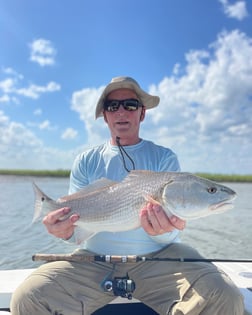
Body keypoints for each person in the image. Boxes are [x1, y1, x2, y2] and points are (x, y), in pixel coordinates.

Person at [11, 76, 244, 315]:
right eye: (113, 106)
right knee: (28, 298)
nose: (121, 111)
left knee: (224, 295)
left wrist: (164, 233)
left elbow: (173, 230)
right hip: (92, 261)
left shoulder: (164, 157)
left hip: (159, 259)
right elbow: (76, 232)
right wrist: (63, 231)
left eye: (130, 105)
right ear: (105, 114)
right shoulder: (86, 160)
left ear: (142, 113)